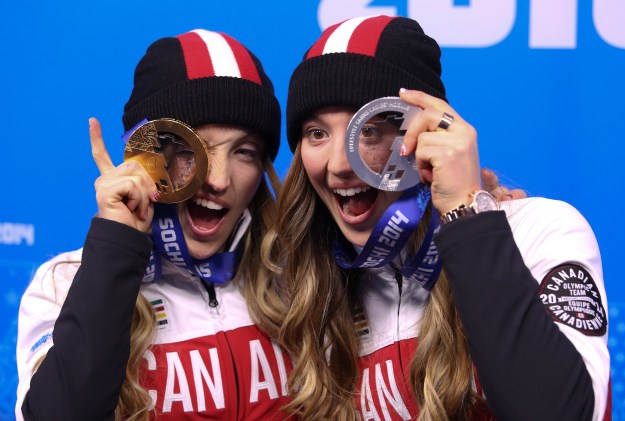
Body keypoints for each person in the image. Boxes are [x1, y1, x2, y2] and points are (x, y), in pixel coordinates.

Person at [261, 15, 611, 420]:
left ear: (425, 132)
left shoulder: (538, 231)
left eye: (370, 130)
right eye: (316, 133)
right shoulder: (307, 284)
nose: (339, 163)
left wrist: (467, 217)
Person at [15, 29, 291, 420]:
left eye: (244, 152)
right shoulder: (64, 283)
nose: (218, 179)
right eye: (191, 149)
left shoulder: (297, 278)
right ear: (147, 154)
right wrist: (116, 247)